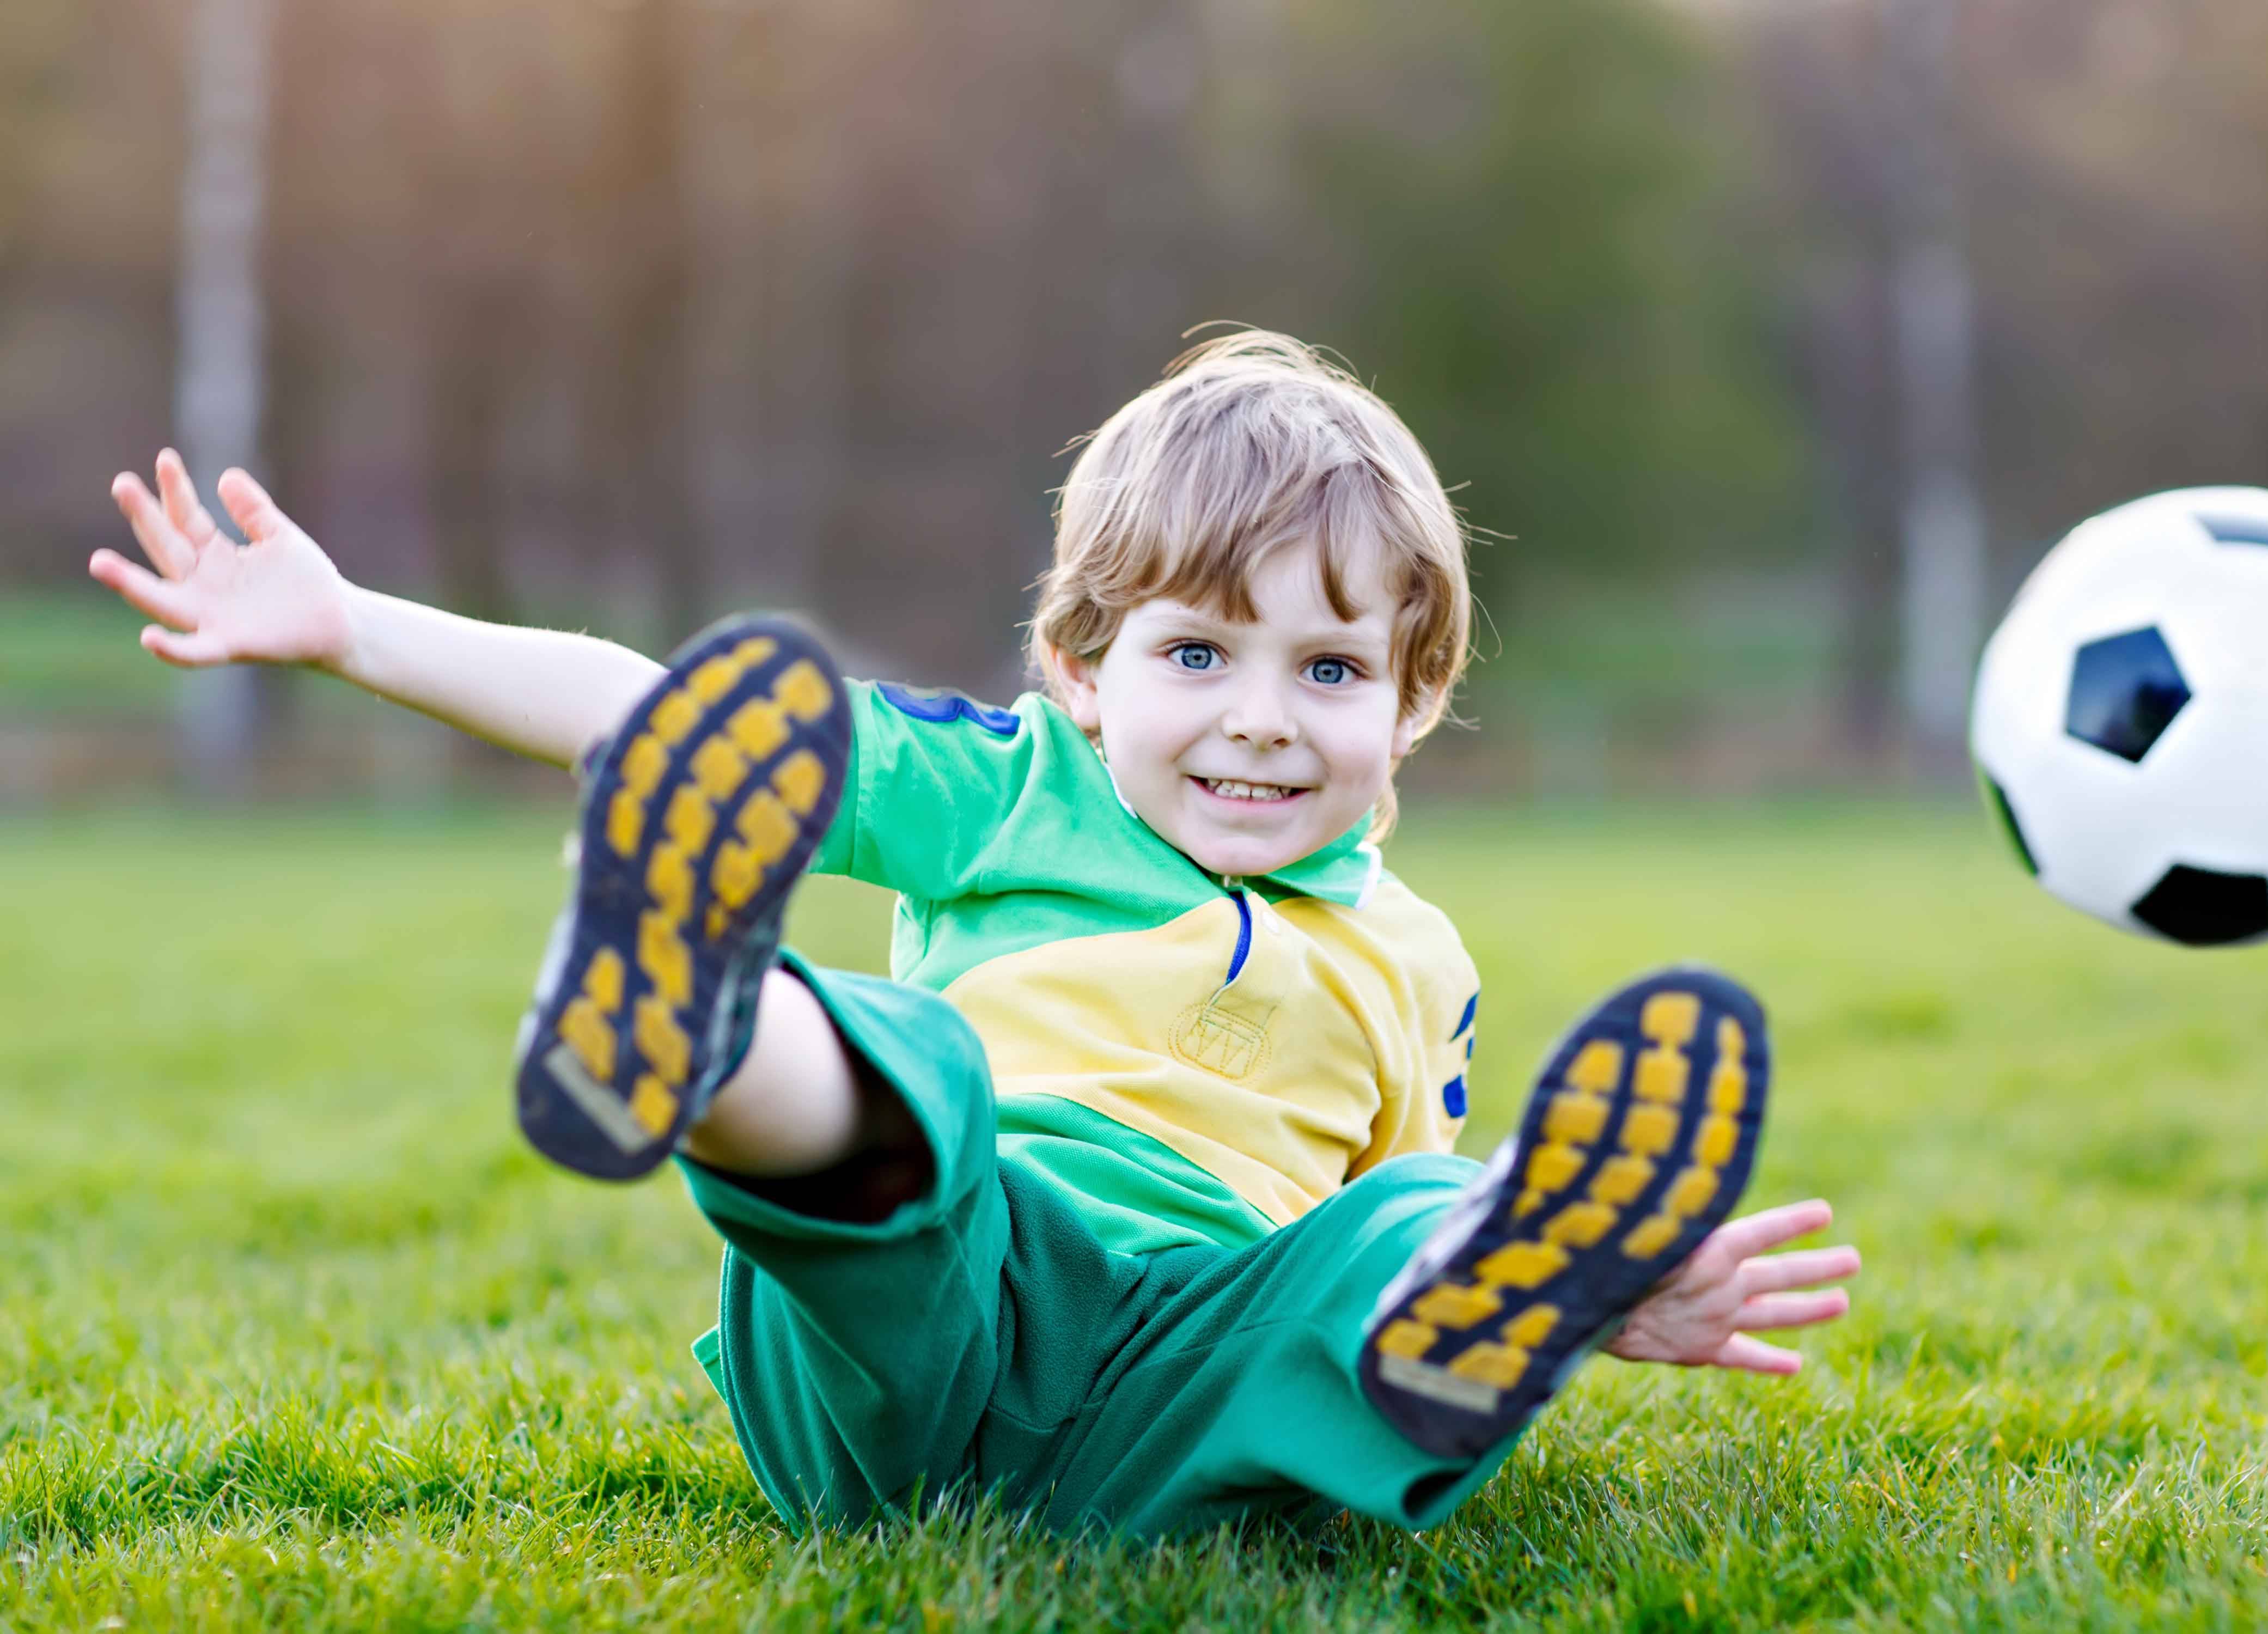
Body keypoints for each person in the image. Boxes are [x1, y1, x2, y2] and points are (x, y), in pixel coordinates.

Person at [94, 330, 1861, 1538]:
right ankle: (703, 1018)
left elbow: (1377, 1220)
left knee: (1405, 1214)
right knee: (912, 1083)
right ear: (1082, 670)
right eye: (1197, 655)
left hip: (1169, 1374)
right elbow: (658, 706)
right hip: (928, 1308)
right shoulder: (1008, 792)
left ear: (1412, 704)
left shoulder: (1413, 960)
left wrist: (1590, 1291)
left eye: (1326, 671)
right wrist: (345, 627)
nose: (1258, 718)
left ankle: (1524, 1289)